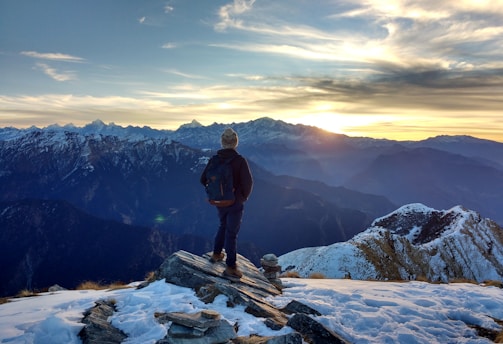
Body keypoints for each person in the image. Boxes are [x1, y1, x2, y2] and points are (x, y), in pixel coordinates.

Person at [200, 127, 253, 278]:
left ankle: (216, 254)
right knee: (232, 233)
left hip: (219, 201)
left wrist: (216, 192)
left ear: (222, 143)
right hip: (235, 202)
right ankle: (231, 267)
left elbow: (203, 180)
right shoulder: (240, 161)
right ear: (236, 143)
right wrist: (241, 198)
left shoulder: (214, 159)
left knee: (223, 225)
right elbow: (248, 184)